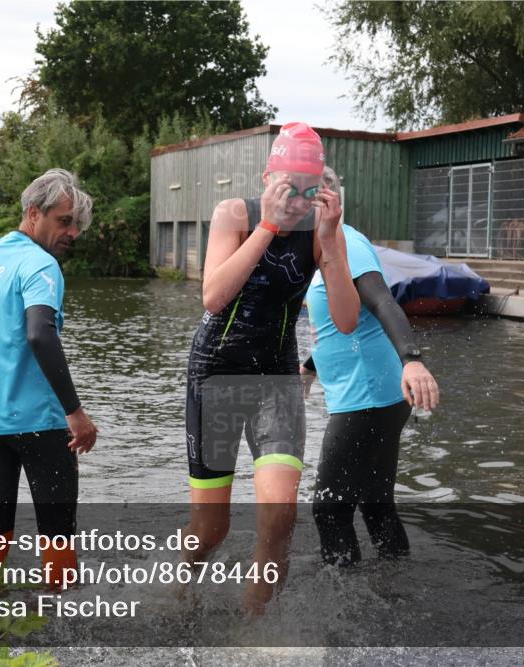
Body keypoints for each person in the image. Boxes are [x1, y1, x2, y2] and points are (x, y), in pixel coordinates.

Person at [181, 122, 360, 615]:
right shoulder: (234, 213)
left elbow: (346, 321)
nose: (300, 201)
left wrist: (331, 240)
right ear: (267, 177)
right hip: (216, 374)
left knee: (280, 516)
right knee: (210, 530)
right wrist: (269, 226)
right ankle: (179, 594)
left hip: (276, 380)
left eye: (310, 190)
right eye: (290, 188)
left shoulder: (323, 230)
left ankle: (254, 631)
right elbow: (214, 297)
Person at [0, 167, 99, 591]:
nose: (73, 232)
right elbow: (39, 333)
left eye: (77, 224)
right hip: (44, 424)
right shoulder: (40, 264)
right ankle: (66, 625)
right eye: (64, 221)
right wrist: (76, 413)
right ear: (34, 212)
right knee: (57, 531)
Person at [303, 167, 440, 568]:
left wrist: (412, 360)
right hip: (378, 393)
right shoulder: (325, 247)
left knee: (329, 510)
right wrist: (310, 367)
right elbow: (341, 323)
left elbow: (382, 302)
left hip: (365, 399)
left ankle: (342, 607)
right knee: (376, 503)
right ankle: (396, 583)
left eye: (301, 196)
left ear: (325, 198)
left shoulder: (347, 243)